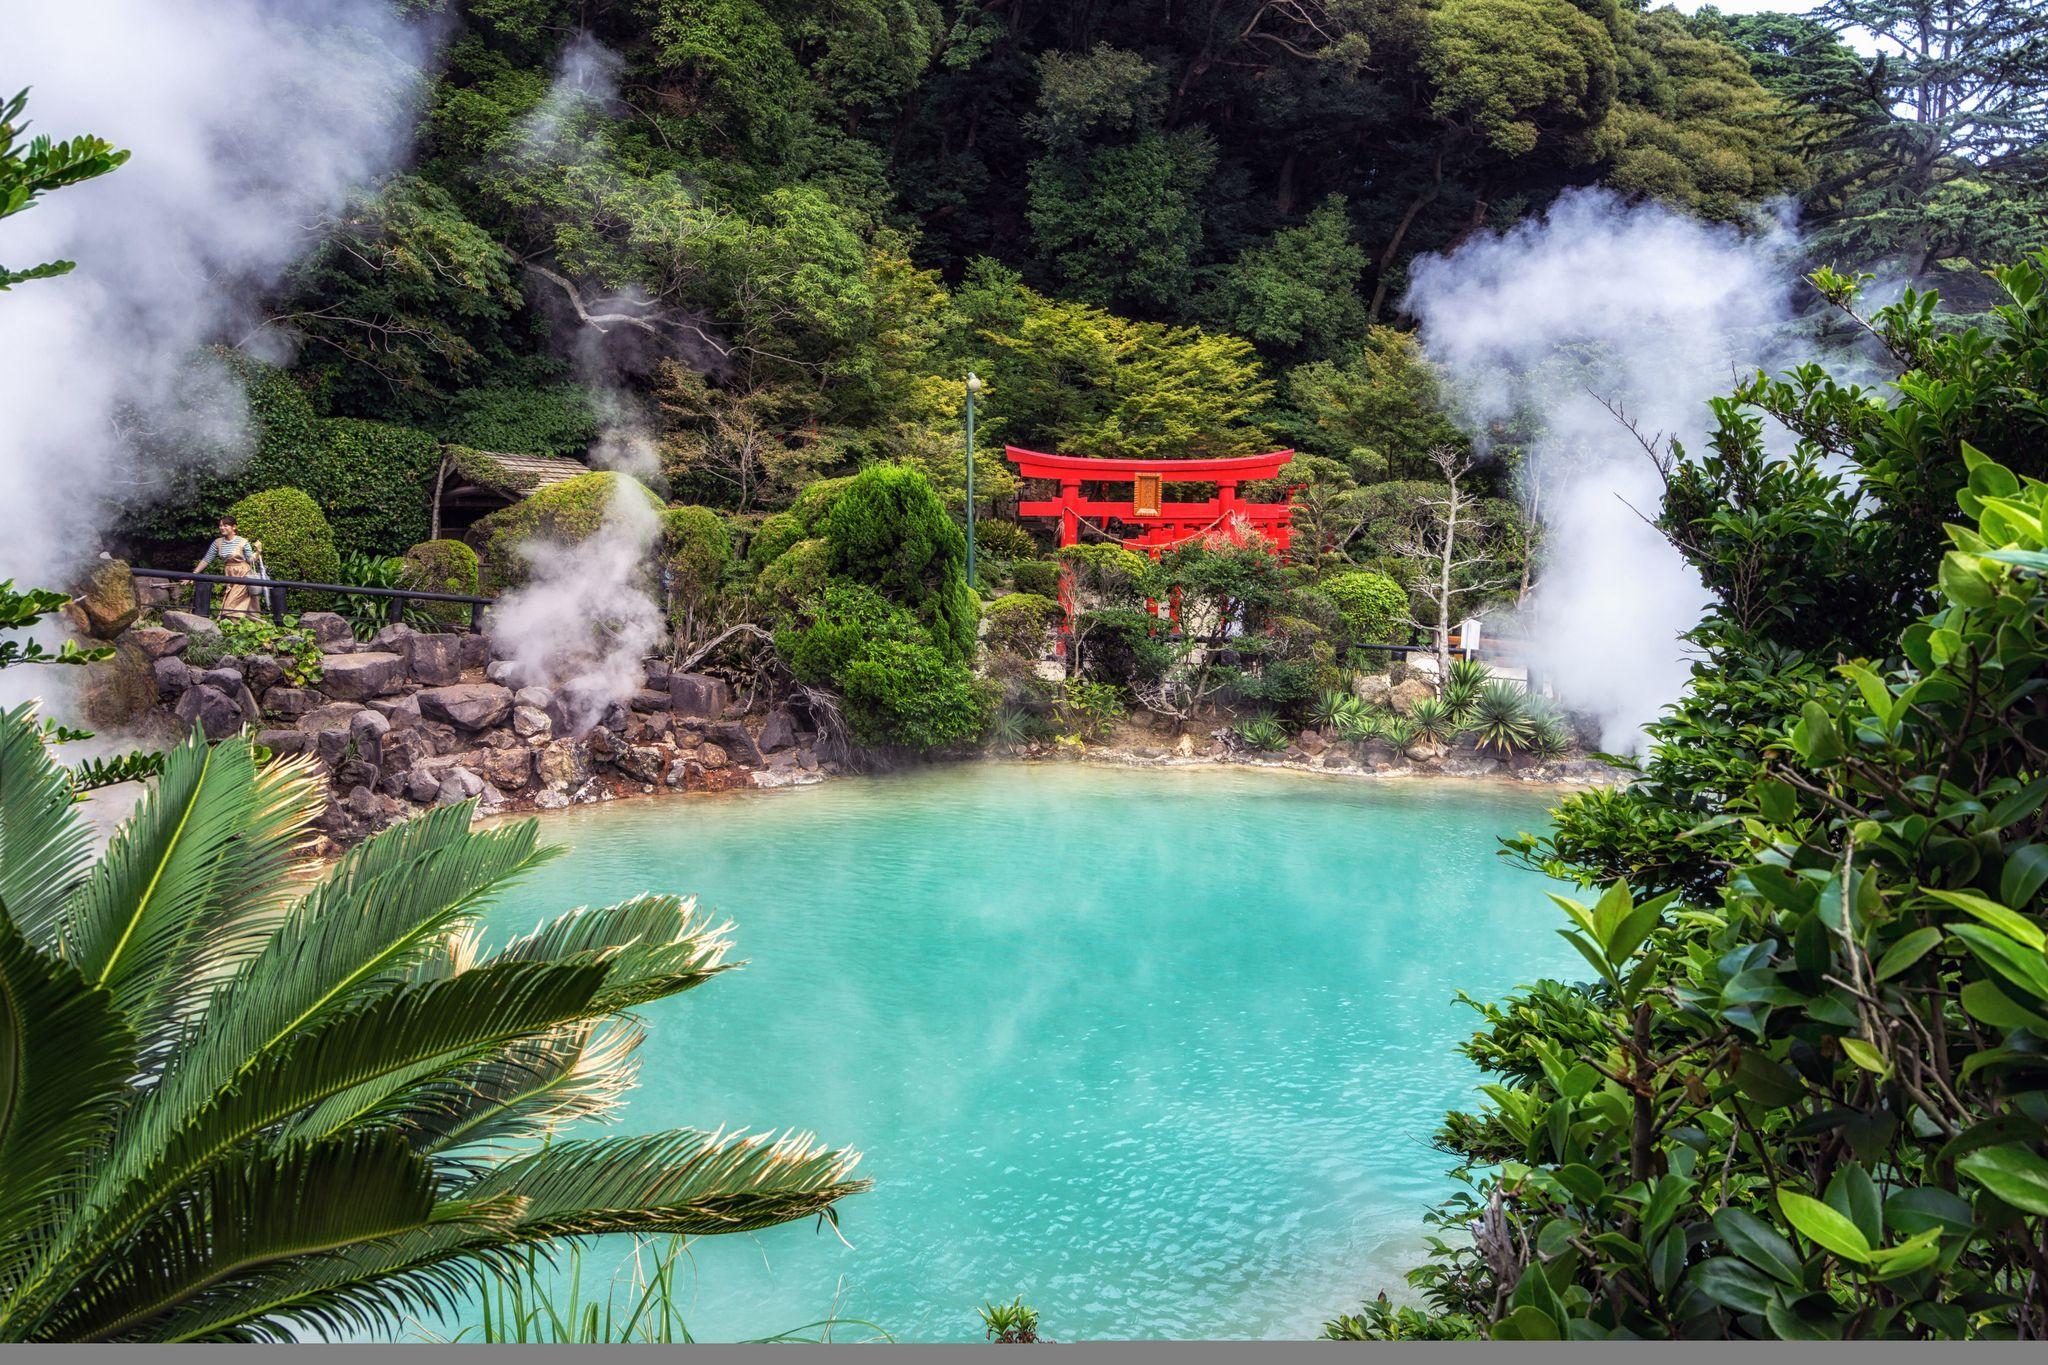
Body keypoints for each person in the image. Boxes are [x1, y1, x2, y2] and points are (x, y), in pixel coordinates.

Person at [193, 516, 267, 619]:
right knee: (241, 602)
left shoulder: (243, 542)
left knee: (231, 603)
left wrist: (258, 552)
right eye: (220, 525)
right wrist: (194, 574)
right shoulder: (217, 542)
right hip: (229, 574)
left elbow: (250, 560)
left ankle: (234, 623)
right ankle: (249, 625)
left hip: (243, 574)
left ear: (234, 527)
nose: (222, 528)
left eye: (225, 525)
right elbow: (207, 559)